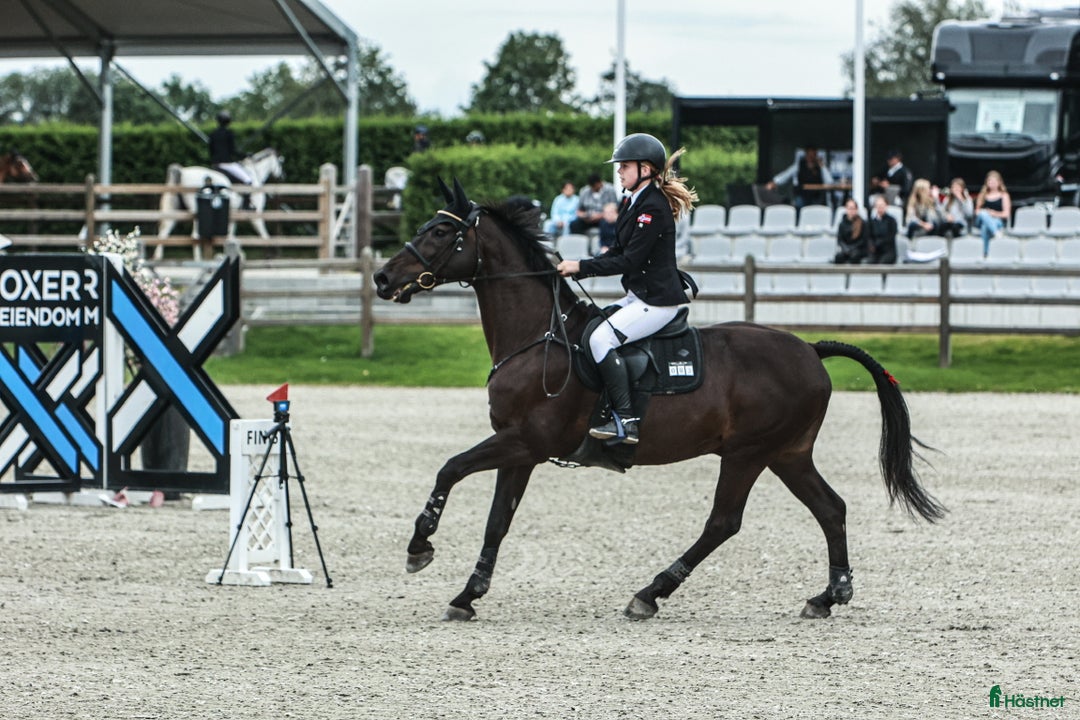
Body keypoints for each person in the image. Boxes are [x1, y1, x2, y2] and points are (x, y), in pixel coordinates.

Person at [556, 133, 697, 445]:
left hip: (658, 302)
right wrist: (581, 264)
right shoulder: (632, 202)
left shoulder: (653, 207)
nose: (618, 171)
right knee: (590, 326)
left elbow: (630, 260)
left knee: (600, 338)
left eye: (624, 166)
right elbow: (616, 251)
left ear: (645, 169)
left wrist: (581, 266)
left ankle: (627, 418)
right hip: (639, 296)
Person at [765, 146, 834, 209]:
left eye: (813, 155)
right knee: (798, 206)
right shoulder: (799, 165)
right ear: (806, 155)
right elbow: (787, 174)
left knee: (815, 209)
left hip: (815, 196)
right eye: (809, 155)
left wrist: (822, 165)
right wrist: (775, 182)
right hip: (802, 194)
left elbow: (829, 181)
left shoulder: (820, 167)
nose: (811, 157)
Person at [208, 110, 252, 186]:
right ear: (228, 122)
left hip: (215, 164)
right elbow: (232, 150)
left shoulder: (213, 134)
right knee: (247, 179)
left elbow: (211, 150)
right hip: (227, 164)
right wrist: (245, 155)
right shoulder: (229, 133)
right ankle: (246, 197)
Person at [974, 170, 1012, 257]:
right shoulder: (982, 195)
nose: (992, 183)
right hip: (981, 219)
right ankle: (996, 233)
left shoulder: (1004, 195)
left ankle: (985, 253)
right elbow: (977, 211)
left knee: (985, 227)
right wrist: (987, 214)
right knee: (983, 213)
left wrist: (994, 214)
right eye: (990, 181)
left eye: (994, 181)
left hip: (997, 220)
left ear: (999, 182)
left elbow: (1006, 214)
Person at [863, 195, 899, 264]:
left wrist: (878, 243)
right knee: (870, 262)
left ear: (886, 206)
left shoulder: (892, 221)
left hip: (888, 250)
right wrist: (871, 245)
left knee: (883, 262)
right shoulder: (871, 222)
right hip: (875, 251)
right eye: (878, 206)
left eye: (882, 205)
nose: (880, 208)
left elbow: (891, 237)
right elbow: (868, 236)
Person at [833, 198, 867, 264]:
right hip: (845, 249)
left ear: (856, 210)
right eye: (849, 208)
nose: (851, 211)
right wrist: (845, 248)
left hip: (858, 250)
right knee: (838, 257)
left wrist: (852, 248)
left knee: (854, 257)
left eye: (853, 208)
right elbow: (840, 240)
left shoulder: (862, 223)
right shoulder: (842, 224)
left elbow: (863, 240)